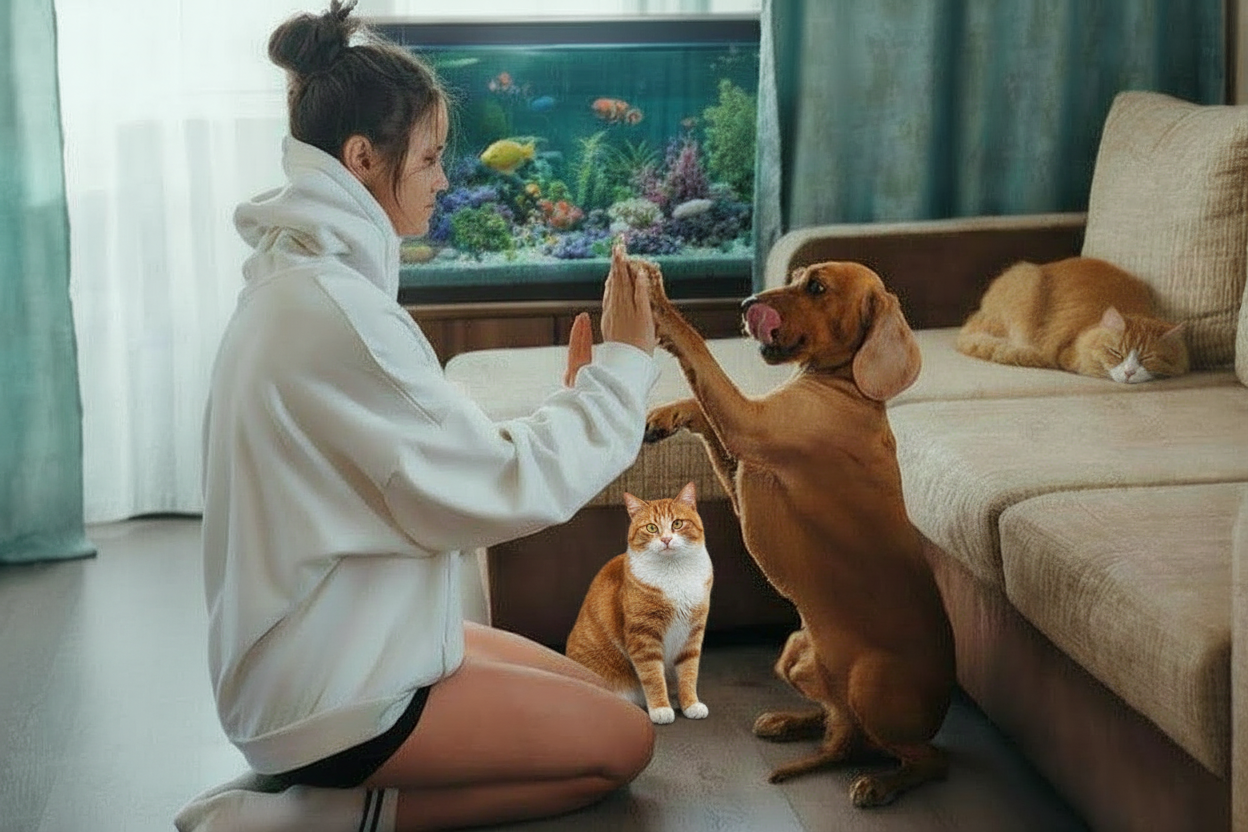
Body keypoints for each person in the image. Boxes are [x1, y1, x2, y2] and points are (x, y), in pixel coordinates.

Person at [174, 3, 660, 831]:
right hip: (330, 694)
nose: (444, 180)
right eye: (431, 158)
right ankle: (307, 820)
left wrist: (578, 399)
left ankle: (316, 789)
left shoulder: (306, 285)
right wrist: (624, 367)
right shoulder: (337, 314)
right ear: (362, 159)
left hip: (335, 645)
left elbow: (444, 458)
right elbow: (501, 486)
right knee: (624, 744)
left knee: (601, 694)